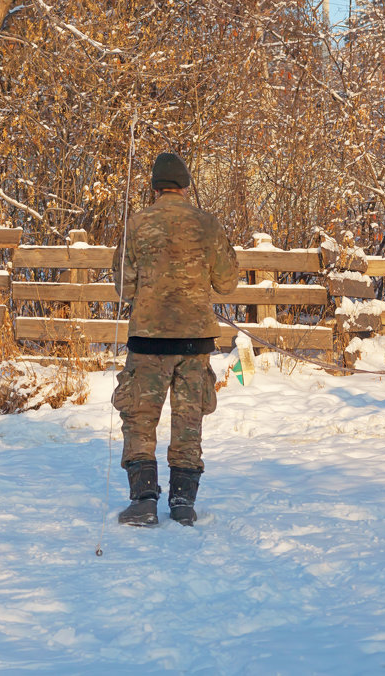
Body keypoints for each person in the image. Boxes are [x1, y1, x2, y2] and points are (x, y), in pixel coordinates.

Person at [111, 153, 239, 526]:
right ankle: (183, 502)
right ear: (185, 186)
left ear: (154, 186)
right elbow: (227, 282)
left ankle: (143, 500)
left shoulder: (137, 224)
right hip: (194, 343)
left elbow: (123, 285)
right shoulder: (207, 224)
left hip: (149, 341)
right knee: (188, 421)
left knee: (138, 418)